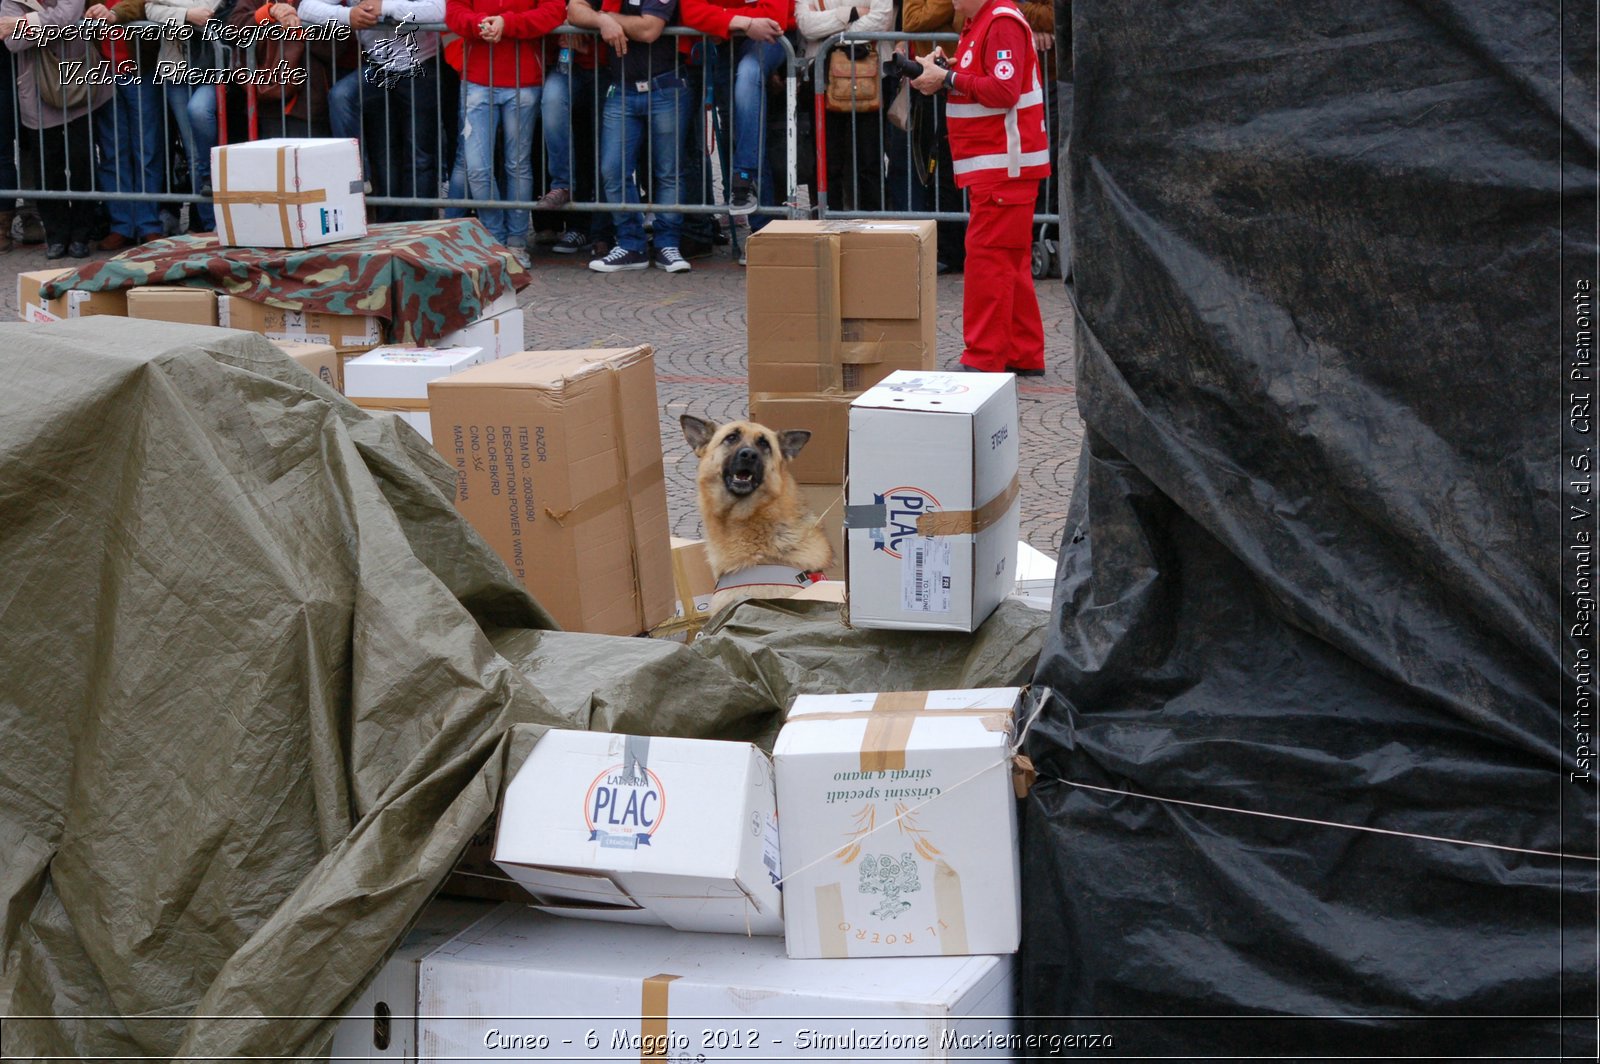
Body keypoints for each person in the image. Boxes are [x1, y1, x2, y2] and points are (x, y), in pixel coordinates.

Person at [909, 0, 1047, 374]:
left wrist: (948, 79)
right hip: (1000, 167)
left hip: (1003, 167)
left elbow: (1003, 91)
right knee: (1009, 261)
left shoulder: (1000, 22)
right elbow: (984, 81)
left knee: (988, 261)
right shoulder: (981, 22)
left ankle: (984, 358)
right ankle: (1024, 352)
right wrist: (947, 72)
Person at [566, 0, 693, 273]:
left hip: (665, 84)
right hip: (622, 88)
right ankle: (631, 244)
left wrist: (605, 16)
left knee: (668, 171)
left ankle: (667, 243)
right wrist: (603, 22)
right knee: (612, 169)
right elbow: (574, 8)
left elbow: (650, 29)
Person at [302, 0, 445, 222]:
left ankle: (418, 227)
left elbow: (440, 9)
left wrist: (386, 7)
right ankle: (359, 177)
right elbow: (306, 8)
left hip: (421, 63)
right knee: (342, 98)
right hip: (379, 66)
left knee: (420, 156)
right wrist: (347, 15)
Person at [445, 0, 564, 264]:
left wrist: (505, 23)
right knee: (479, 168)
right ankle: (497, 240)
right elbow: (453, 11)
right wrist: (482, 24)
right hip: (480, 77)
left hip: (521, 80)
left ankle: (515, 242)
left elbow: (553, 11)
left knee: (516, 165)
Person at [2, 0, 112, 257]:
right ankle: (56, 236)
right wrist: (53, 24)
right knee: (47, 167)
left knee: (82, 160)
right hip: (36, 93)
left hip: (78, 84)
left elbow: (70, 14)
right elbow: (13, 42)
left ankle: (81, 235)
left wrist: (26, 23)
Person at [678, 0, 789, 219]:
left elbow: (774, 16)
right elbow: (691, 12)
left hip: (760, 44)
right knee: (735, 133)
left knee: (746, 132)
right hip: (716, 50)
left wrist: (722, 20)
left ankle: (761, 221)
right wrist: (744, 22)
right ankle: (743, 205)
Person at [795, 0, 892, 214]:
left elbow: (882, 19)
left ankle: (876, 230)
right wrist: (853, 13)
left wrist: (831, 31)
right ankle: (827, 227)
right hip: (822, 75)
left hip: (871, 74)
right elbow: (806, 25)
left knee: (870, 160)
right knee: (827, 161)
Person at [85, 0, 167, 248]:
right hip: (104, 70)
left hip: (141, 69)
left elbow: (148, 4)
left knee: (147, 149)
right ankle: (121, 225)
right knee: (112, 152)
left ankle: (148, 224)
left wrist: (113, 13)